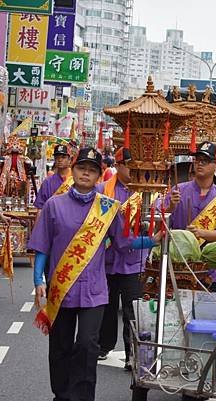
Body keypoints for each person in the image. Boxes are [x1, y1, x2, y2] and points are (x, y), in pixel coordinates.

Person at [28, 147, 162, 401]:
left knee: (88, 345)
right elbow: (42, 245)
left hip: (94, 289)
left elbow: (123, 242)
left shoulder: (107, 209)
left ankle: (83, 396)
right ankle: (62, 394)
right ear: (74, 170)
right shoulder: (54, 206)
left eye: (92, 170)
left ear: (98, 175)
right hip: (62, 287)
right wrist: (38, 280)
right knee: (60, 346)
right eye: (82, 168)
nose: (85, 174)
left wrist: (152, 241)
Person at [96, 148, 147, 369]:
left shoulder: (147, 191)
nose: (132, 168)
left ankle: (131, 354)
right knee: (106, 307)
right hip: (107, 259)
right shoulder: (102, 191)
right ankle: (103, 346)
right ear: (118, 165)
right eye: (128, 163)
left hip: (134, 260)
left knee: (131, 311)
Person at [158, 141, 216, 291]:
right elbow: (160, 224)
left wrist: (203, 233)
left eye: (205, 161)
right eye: (197, 160)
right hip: (177, 264)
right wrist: (171, 206)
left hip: (207, 269)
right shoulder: (178, 191)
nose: (200, 164)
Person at [34, 144, 73, 211]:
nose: (60, 160)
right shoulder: (48, 182)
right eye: (57, 157)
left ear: (69, 160)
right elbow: (40, 208)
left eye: (63, 157)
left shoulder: (76, 179)